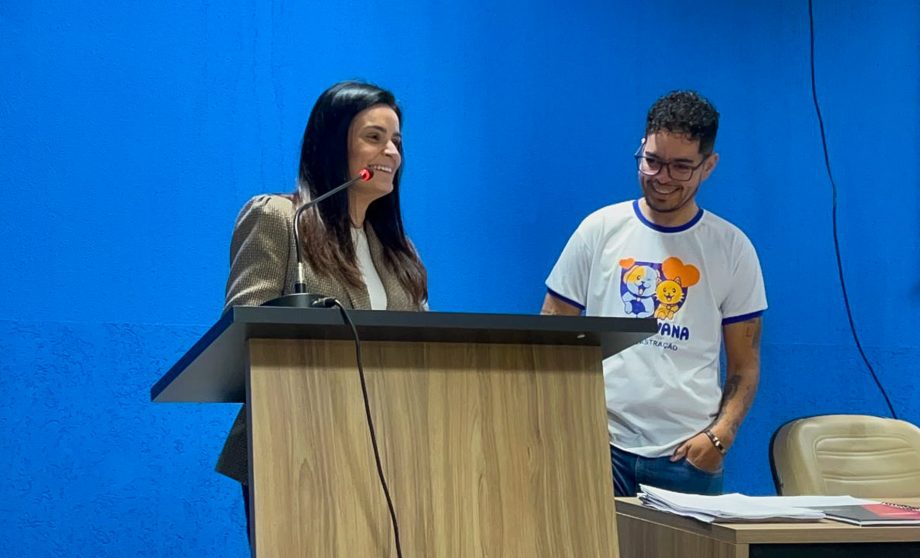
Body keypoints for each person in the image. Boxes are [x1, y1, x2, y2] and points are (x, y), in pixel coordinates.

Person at [215, 80, 428, 536]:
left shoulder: (400, 252)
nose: (391, 152)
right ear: (333, 145)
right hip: (294, 444)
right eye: (374, 137)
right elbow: (243, 332)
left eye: (397, 141)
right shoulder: (280, 219)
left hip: (391, 446)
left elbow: (425, 347)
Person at [542, 90, 765, 496]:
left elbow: (744, 364)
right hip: (598, 446)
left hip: (687, 459)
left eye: (681, 166)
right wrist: (568, 424)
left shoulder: (732, 248)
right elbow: (550, 336)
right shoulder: (598, 230)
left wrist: (720, 437)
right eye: (653, 161)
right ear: (640, 149)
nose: (662, 177)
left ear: (709, 166)